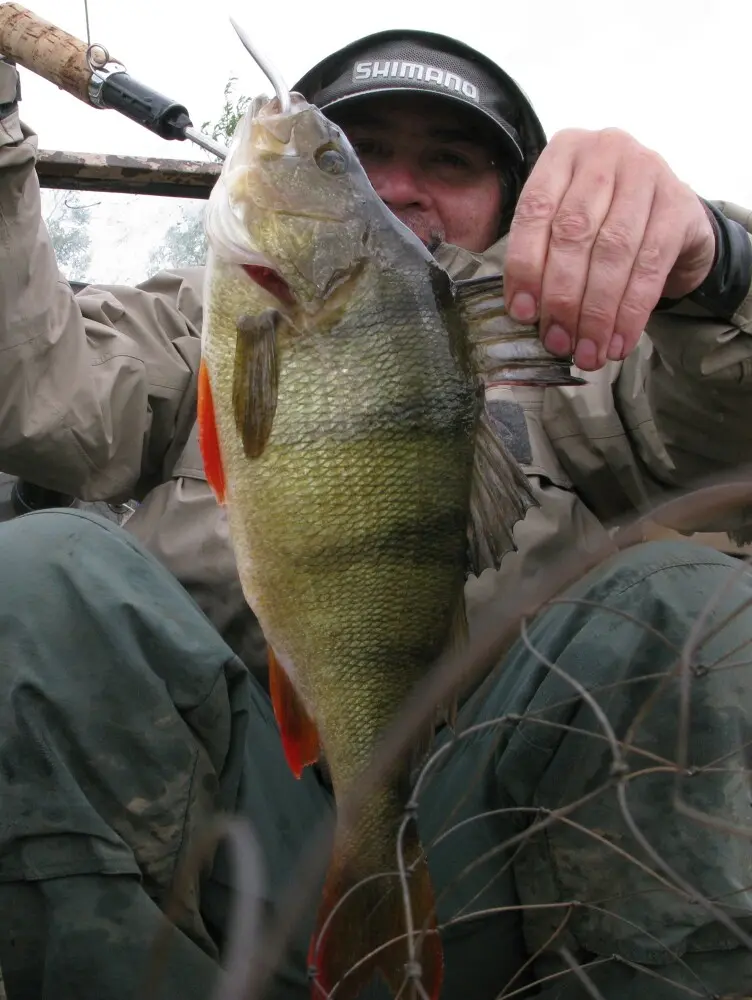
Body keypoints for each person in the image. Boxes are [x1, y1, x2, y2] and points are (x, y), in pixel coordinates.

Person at [0, 27, 751, 1000]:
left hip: (500, 842)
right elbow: (35, 392)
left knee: (697, 606)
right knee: (38, 573)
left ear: (513, 206)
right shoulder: (196, 329)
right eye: (357, 153)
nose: (396, 186)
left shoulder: (578, 363)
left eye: (449, 160)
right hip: (211, 839)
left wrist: (718, 268)